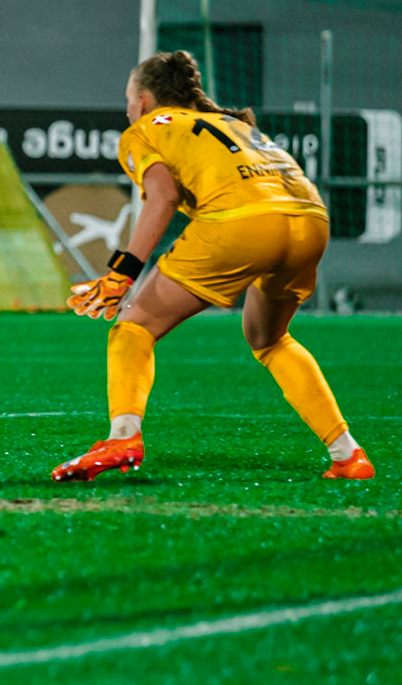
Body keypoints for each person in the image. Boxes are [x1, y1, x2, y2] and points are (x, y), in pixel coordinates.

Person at [55, 50, 375, 482]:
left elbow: (162, 197)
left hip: (241, 222)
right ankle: (348, 455)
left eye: (129, 98)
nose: (128, 107)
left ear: (144, 101)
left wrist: (121, 273)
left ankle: (123, 436)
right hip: (311, 220)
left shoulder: (144, 130)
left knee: (134, 325)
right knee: (269, 339)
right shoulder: (235, 123)